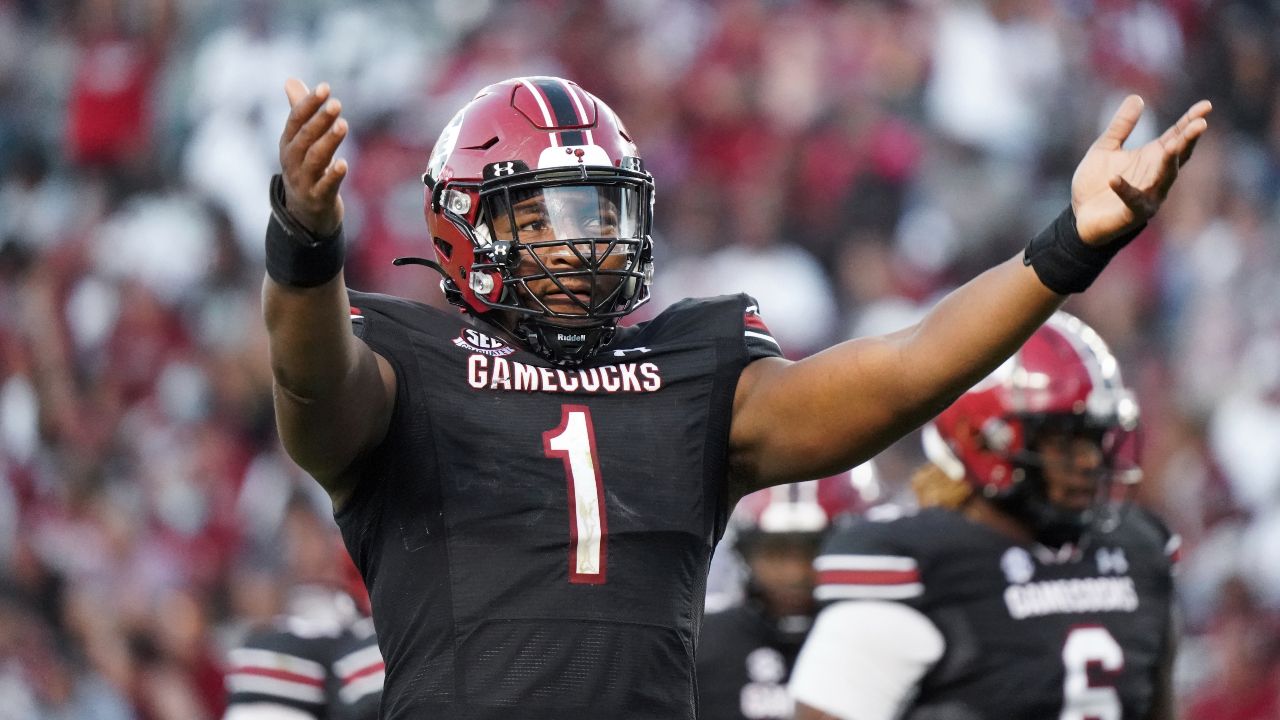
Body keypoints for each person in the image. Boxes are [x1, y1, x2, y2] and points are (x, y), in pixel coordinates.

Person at [263, 72, 1208, 718]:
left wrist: (1069, 245)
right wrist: (305, 248)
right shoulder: (404, 359)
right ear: (463, 223)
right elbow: (310, 384)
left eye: (602, 211)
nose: (584, 244)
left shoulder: (695, 365)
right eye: (546, 216)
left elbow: (909, 366)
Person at [788, 312, 1180, 720]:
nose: (1088, 461)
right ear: (979, 439)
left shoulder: (1139, 553)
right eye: (1063, 439)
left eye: (1095, 439)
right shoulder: (915, 571)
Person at [696, 468, 876, 720]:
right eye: (776, 552)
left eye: (813, 549)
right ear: (746, 553)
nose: (795, 574)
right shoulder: (701, 641)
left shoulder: (875, 639)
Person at [224, 502, 383, 720]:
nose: (303, 550)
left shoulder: (363, 623)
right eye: (292, 538)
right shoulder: (273, 644)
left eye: (308, 535)